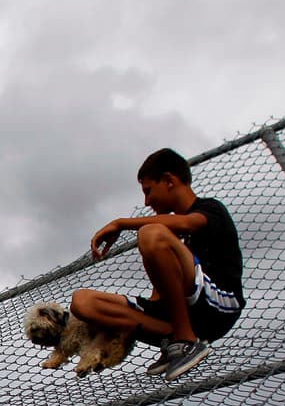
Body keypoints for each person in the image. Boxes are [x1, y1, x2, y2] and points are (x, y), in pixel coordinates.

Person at [72, 148, 244, 381]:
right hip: (182, 310)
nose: (146, 201)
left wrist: (121, 223)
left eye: (148, 191)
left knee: (151, 234)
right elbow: (160, 289)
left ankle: (186, 340)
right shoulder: (173, 235)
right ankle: (173, 337)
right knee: (83, 302)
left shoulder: (209, 209)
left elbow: (187, 223)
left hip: (218, 305)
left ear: (169, 181)